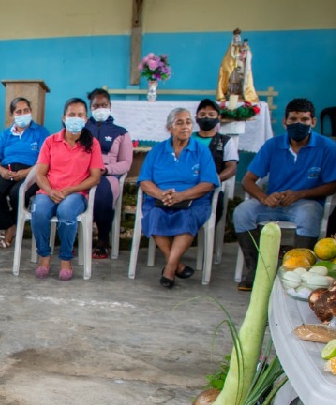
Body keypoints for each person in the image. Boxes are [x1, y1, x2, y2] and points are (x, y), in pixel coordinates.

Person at [234, 98, 336, 290]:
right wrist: (264, 197)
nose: (298, 124)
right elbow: (247, 180)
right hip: (273, 203)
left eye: (304, 119)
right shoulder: (272, 145)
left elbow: (332, 185)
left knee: (309, 215)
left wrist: (300, 194)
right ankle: (257, 269)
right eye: (293, 119)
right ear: (285, 122)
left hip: (306, 202)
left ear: (313, 122)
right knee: (242, 212)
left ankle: (298, 274)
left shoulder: (326, 146)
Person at [138, 108, 219, 289]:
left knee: (186, 216)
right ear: (169, 128)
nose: (185, 126)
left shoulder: (201, 151)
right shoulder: (157, 151)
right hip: (161, 199)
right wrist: (161, 194)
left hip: (194, 200)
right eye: (179, 122)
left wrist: (182, 196)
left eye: (188, 122)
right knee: (155, 214)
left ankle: (169, 268)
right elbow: (144, 180)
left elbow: (209, 183)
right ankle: (177, 265)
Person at [30, 98, 104, 281]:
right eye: (72, 115)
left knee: (66, 212)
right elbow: (40, 174)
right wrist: (50, 190)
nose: (75, 118)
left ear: (86, 119)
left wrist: (70, 190)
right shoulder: (50, 141)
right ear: (64, 118)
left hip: (76, 193)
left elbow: (95, 177)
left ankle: (65, 258)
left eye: (80, 115)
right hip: (49, 191)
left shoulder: (92, 144)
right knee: (38, 212)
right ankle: (44, 256)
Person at [0, 97, 50, 250]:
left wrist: (26, 173)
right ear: (12, 114)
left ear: (31, 112)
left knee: (18, 193)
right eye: (19, 111)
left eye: (26, 110)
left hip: (32, 171)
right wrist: (2, 172)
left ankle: (12, 228)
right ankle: (9, 225)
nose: (23, 114)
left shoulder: (41, 132)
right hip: (7, 170)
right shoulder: (5, 134)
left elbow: (45, 160)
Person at [84, 88, 134, 259]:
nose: (100, 109)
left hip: (107, 173)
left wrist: (106, 170)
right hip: (83, 172)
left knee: (103, 194)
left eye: (104, 105)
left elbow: (126, 163)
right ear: (91, 108)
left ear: (110, 106)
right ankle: (70, 239)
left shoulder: (121, 132)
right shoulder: (81, 128)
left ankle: (103, 239)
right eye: (96, 106)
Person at [192, 98, 240, 225]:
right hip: (186, 184)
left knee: (215, 206)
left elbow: (232, 168)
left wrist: (214, 179)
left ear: (218, 117)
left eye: (211, 115)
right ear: (196, 118)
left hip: (211, 189)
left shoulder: (225, 141)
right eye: (202, 115)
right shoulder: (188, 138)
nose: (206, 117)